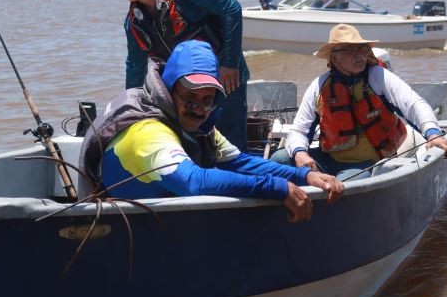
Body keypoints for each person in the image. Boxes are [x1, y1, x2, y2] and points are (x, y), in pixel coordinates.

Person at [79, 40, 344, 222]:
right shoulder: (147, 132)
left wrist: (305, 176)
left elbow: (241, 163)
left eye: (208, 99)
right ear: (168, 89)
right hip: (126, 228)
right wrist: (279, 188)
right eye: (190, 98)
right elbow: (193, 182)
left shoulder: (199, 127)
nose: (198, 109)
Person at [106, 0, 249, 152]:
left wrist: (230, 63)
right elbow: (135, 67)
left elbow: (231, 8)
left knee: (232, 144)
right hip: (185, 92)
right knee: (194, 147)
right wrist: (131, 108)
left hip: (225, 77)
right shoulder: (133, 23)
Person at [271, 24, 447, 181]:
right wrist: (300, 153)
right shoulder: (319, 86)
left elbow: (414, 104)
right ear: (334, 57)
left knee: (347, 184)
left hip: (366, 163)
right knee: (279, 159)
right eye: (350, 50)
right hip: (328, 159)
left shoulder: (378, 77)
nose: (359, 55)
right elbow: (299, 130)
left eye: (362, 49)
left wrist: (433, 133)